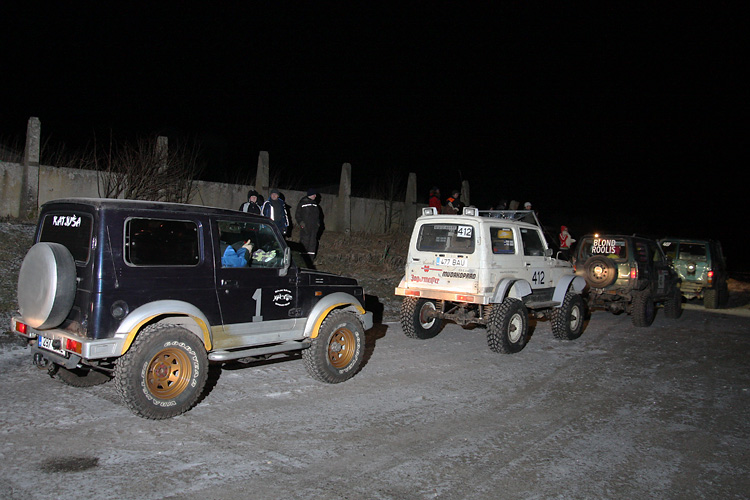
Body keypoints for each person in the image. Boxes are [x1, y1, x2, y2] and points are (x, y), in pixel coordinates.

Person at [295, 188, 322, 260]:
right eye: (314, 194)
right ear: (310, 195)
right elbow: (297, 215)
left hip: (314, 228)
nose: (315, 196)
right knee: (304, 242)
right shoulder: (302, 203)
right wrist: (302, 224)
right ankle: (302, 259)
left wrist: (318, 224)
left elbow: (318, 216)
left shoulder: (315, 204)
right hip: (306, 227)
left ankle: (311, 259)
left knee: (312, 243)